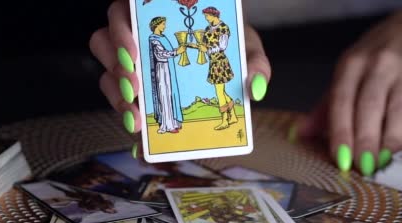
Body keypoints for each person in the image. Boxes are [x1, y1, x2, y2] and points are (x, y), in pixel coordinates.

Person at [89, 0, 402, 177]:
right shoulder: (212, 24)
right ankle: (209, 121)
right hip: (74, 60)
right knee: (220, 95)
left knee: (223, 94)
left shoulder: (218, 28)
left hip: (368, 42)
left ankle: (219, 120)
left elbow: (213, 41)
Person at [188, 6, 237, 130]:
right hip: (213, 63)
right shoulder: (207, 29)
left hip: (220, 63)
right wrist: (195, 46)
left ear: (214, 15)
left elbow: (222, 46)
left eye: (207, 16)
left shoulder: (223, 28)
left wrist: (207, 50)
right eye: (205, 17)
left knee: (219, 92)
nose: (206, 18)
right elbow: (204, 45)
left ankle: (225, 120)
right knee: (223, 91)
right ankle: (234, 116)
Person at [148, 16, 187, 134]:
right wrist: (176, 52)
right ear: (156, 25)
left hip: (169, 68)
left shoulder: (163, 37)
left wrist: (178, 50)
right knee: (164, 95)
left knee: (171, 95)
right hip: (161, 68)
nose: (164, 26)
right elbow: (160, 54)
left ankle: (173, 122)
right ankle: (167, 125)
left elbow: (166, 52)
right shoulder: (153, 39)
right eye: (163, 24)